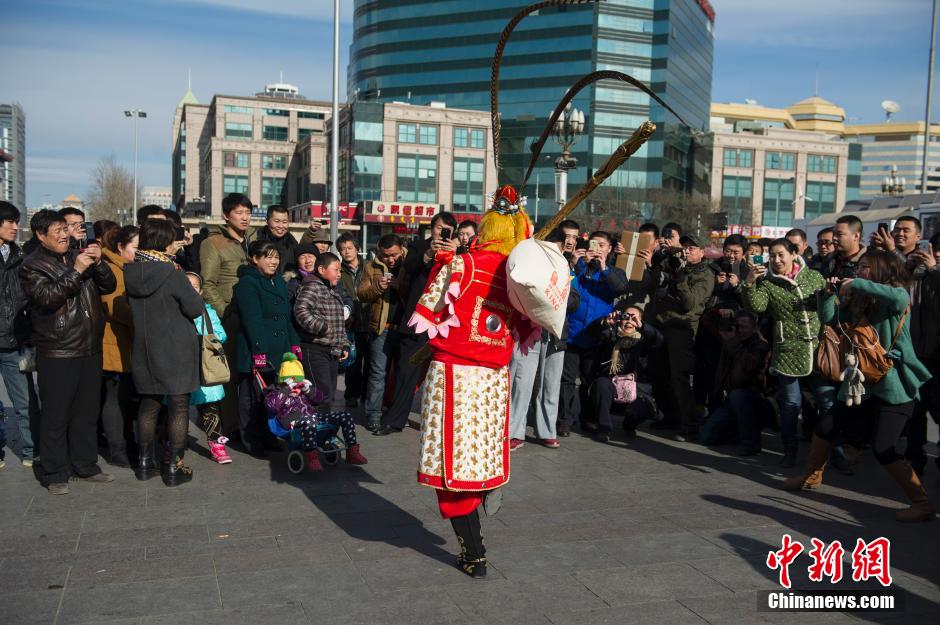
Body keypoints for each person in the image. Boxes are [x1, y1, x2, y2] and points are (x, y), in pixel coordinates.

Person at [408, 184, 533, 578]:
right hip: (495, 379)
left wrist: (439, 264)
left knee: (451, 467)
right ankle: (484, 490)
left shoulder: (462, 265)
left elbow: (426, 314)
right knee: (480, 454)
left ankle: (474, 553)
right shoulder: (521, 278)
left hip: (455, 376)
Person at [784, 249, 935, 522]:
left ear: (881, 270)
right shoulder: (859, 299)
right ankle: (811, 476)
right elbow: (830, 320)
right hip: (859, 381)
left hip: (894, 385)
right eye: (860, 268)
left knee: (884, 448)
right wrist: (828, 295)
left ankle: (922, 503)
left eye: (866, 267)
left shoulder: (897, 295)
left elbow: (897, 297)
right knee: (826, 425)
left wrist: (857, 284)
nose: (860, 272)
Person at [20, 209, 117, 494]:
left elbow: (108, 285)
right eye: (59, 230)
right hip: (58, 349)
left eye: (68, 228)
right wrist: (76, 270)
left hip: (89, 346)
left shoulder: (79, 253)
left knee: (86, 412)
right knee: (56, 413)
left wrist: (97, 263)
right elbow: (48, 298)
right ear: (41, 235)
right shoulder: (32, 265)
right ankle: (54, 472)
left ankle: (85, 465)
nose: (66, 234)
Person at [124, 219, 204, 486]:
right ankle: (174, 467)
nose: (175, 244)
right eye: (173, 239)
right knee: (178, 405)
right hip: (176, 347)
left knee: (149, 404)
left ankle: (145, 463)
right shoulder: (172, 272)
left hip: (145, 347)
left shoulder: (132, 272)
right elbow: (194, 307)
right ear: (164, 242)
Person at [742, 238, 829, 466]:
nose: (777, 260)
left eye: (781, 254)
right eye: (772, 255)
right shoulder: (768, 283)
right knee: (791, 405)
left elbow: (830, 306)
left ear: (794, 253)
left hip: (817, 349)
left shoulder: (814, 276)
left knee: (827, 402)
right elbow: (757, 307)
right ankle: (789, 451)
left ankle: (834, 452)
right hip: (788, 349)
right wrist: (750, 283)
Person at [374, 212, 459, 436]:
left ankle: (442, 423)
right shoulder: (418, 247)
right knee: (406, 370)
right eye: (440, 228)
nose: (443, 233)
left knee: (444, 374)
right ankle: (394, 420)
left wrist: (456, 251)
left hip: (446, 321)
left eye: (448, 229)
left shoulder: (459, 252)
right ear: (432, 228)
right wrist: (430, 253)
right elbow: (409, 267)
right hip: (418, 319)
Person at [507, 227, 580, 447]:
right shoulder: (527, 263)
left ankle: (547, 431)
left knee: (551, 384)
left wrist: (558, 296)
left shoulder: (567, 268)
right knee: (521, 381)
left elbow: (575, 302)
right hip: (527, 333)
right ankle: (514, 432)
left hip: (556, 336)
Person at [233, 240, 300, 456]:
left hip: (279, 349)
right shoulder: (248, 283)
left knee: (273, 397)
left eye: (276, 257)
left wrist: (294, 343)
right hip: (258, 349)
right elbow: (253, 320)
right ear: (255, 258)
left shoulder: (278, 282)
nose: (274, 261)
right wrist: (259, 351)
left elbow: (286, 318)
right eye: (268, 257)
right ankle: (252, 441)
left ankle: (270, 435)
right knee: (252, 398)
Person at [200, 193, 257, 437]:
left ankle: (251, 423)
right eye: (239, 213)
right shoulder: (213, 243)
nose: (244, 218)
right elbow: (207, 283)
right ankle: (231, 426)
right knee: (230, 374)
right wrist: (224, 312)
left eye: (247, 212)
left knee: (251, 371)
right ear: (226, 215)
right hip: (230, 317)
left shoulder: (252, 239)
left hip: (252, 316)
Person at [649, 234, 714, 441]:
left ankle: (690, 424)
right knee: (659, 374)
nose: (686, 251)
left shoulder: (705, 275)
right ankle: (670, 416)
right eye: (684, 248)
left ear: (702, 252)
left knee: (680, 378)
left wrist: (680, 278)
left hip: (683, 329)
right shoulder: (678, 266)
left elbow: (690, 304)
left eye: (692, 248)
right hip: (663, 324)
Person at [264, 353, 367, 471]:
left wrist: (308, 390)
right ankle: (312, 457)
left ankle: (352, 451)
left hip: (311, 417)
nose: (296, 387)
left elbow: (319, 399)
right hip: (291, 422)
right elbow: (271, 406)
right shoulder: (276, 392)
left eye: (298, 382)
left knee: (345, 416)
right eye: (294, 383)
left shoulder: (302, 391)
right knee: (309, 420)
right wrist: (286, 389)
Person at [699, 310, 770, 455]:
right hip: (730, 399)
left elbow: (749, 366)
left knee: (739, 396)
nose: (740, 330)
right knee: (706, 437)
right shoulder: (732, 338)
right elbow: (707, 320)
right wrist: (719, 312)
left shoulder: (760, 344)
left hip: (752, 397)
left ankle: (751, 442)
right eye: (737, 326)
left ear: (754, 327)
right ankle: (737, 432)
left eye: (744, 327)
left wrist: (733, 342)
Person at [588, 305, 663, 441]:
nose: (629, 321)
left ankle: (629, 426)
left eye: (634, 318)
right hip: (613, 389)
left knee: (644, 404)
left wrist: (643, 327)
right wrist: (605, 322)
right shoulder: (611, 335)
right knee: (601, 384)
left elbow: (659, 340)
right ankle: (604, 429)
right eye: (626, 316)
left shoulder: (644, 341)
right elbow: (591, 333)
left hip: (635, 392)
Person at [357, 234, 407, 431]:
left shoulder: (409, 264)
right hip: (381, 328)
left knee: (402, 374)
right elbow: (362, 295)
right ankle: (373, 414)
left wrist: (400, 286)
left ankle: (394, 413)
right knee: (378, 373)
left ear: (401, 249)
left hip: (405, 329)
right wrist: (378, 287)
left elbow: (419, 293)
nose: (391, 260)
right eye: (386, 256)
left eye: (394, 255)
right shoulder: (371, 266)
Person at [99, 224, 139, 468]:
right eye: (136, 247)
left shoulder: (129, 267)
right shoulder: (111, 268)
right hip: (113, 342)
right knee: (114, 398)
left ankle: (128, 442)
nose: (140, 251)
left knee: (126, 397)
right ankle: (117, 448)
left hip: (128, 342)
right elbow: (114, 306)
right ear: (120, 246)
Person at [0, 201, 35, 467]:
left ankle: (30, 450)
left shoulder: (20, 258)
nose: (15, 227)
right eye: (10, 222)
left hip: (14, 340)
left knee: (24, 400)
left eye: (16, 221)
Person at [185, 271, 232, 464]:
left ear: (201, 291)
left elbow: (221, 334)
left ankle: (216, 444)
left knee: (210, 408)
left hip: (206, 366)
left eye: (194, 287)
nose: (190, 291)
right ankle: (171, 443)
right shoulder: (173, 310)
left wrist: (210, 340)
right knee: (175, 409)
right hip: (183, 365)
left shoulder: (207, 311)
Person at [294, 252, 350, 408]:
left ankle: (326, 430)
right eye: (336, 270)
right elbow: (301, 311)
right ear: (321, 269)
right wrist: (322, 327)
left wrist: (344, 344)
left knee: (329, 394)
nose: (339, 274)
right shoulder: (312, 286)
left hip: (331, 351)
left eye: (340, 271)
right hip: (315, 350)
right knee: (320, 396)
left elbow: (339, 321)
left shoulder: (331, 289)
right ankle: (317, 431)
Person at [336, 233, 368, 407]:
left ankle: (366, 396)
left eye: (349, 248)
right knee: (352, 363)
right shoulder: (338, 270)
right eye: (342, 249)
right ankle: (351, 395)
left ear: (357, 249)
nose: (346, 252)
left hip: (369, 322)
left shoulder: (369, 267)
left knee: (370, 363)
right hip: (350, 324)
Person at [255, 205, 298, 273]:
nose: (281, 226)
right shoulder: (257, 239)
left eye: (284, 222)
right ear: (267, 221)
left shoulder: (292, 242)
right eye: (277, 221)